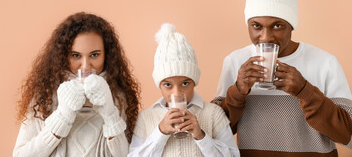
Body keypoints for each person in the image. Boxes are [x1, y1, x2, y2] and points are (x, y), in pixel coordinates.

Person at [214, 0, 352, 157]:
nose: (265, 37)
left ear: (291, 26)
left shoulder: (325, 63)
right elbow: (215, 135)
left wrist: (305, 91)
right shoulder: (235, 62)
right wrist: (238, 92)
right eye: (256, 26)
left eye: (277, 25)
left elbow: (349, 135)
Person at [13, 12, 140, 157]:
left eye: (94, 55)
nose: (85, 66)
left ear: (107, 55)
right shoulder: (44, 96)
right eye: (76, 55)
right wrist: (62, 117)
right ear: (63, 56)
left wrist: (110, 114)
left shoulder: (118, 97)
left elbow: (130, 155)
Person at [128, 23, 240, 157]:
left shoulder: (214, 114)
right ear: (159, 85)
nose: (177, 93)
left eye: (185, 83)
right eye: (168, 85)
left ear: (194, 82)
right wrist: (160, 132)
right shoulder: (146, 118)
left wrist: (201, 136)